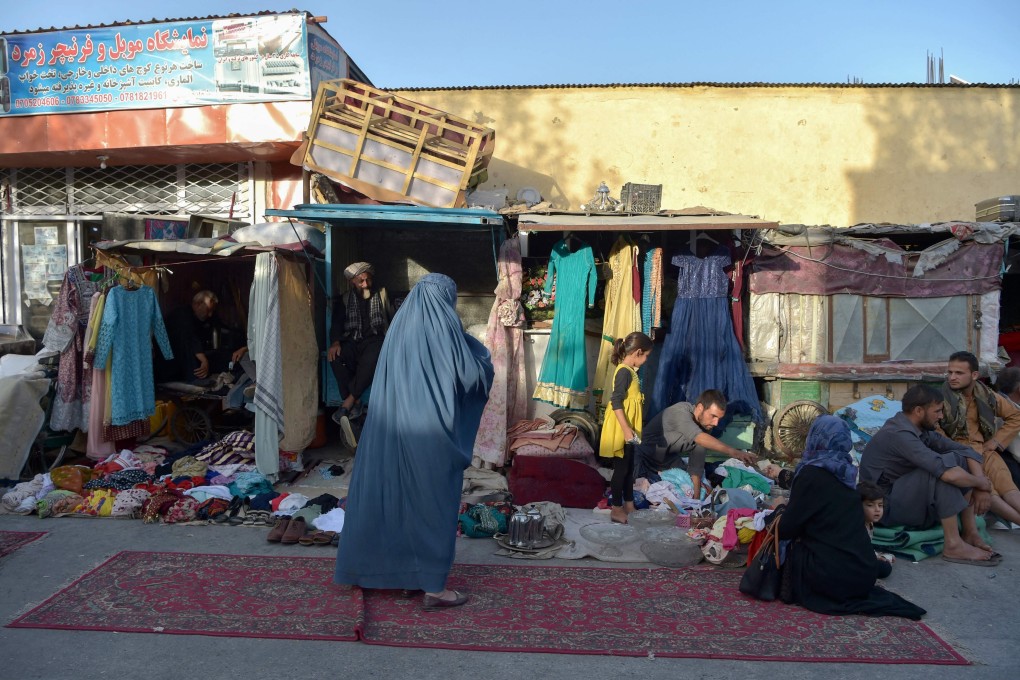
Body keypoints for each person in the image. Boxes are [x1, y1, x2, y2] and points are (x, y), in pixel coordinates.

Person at [334, 273, 493, 611]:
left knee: (397, 503)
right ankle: (434, 587)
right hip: (429, 436)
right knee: (431, 505)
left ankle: (407, 575)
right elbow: (470, 376)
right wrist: (479, 352)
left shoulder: (398, 330)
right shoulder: (444, 331)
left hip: (389, 432)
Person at [776, 416, 924, 619]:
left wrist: (779, 511)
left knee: (793, 546)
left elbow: (786, 528)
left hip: (832, 580)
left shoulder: (811, 472)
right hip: (862, 577)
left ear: (814, 437)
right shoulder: (847, 471)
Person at [859, 384, 1000, 566]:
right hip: (884, 508)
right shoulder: (900, 434)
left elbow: (966, 451)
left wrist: (981, 486)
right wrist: (982, 483)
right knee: (941, 473)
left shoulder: (921, 430)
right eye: (937, 411)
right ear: (919, 411)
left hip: (906, 497)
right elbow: (947, 475)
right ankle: (953, 545)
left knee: (956, 459)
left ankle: (970, 532)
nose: (941, 417)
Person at [939, 351, 1020, 526]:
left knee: (1009, 489)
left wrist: (996, 441)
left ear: (974, 375)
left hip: (985, 450)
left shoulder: (987, 396)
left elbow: (1016, 416)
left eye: (959, 373)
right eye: (950, 372)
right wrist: (957, 451)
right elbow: (936, 433)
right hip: (959, 454)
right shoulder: (939, 399)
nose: (952, 377)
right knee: (990, 493)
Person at [635, 389, 758, 500]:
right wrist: (734, 452)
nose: (716, 423)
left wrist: (696, 499)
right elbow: (699, 438)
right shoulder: (680, 412)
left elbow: (696, 466)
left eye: (719, 419)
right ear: (700, 408)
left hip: (667, 463)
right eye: (713, 416)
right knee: (642, 494)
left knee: (699, 488)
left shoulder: (706, 426)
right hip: (642, 459)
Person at [327, 261, 393, 448]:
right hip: (352, 340)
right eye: (360, 281)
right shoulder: (346, 299)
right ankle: (352, 403)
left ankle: (346, 403)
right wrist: (335, 342)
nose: (365, 284)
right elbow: (337, 323)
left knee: (373, 359)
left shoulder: (381, 295)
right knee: (335, 357)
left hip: (375, 340)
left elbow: (393, 318)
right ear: (352, 282)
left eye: (368, 280)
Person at [598, 331, 653, 524]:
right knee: (621, 469)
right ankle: (616, 508)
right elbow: (616, 401)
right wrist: (626, 429)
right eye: (646, 355)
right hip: (622, 429)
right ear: (638, 352)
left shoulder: (631, 373)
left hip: (628, 430)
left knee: (630, 468)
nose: (646, 360)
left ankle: (629, 504)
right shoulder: (623, 371)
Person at [162, 290, 247, 383]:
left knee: (223, 356)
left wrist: (243, 346)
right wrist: (204, 360)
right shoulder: (182, 314)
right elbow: (190, 337)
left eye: (212, 311)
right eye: (208, 310)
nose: (210, 314)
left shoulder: (206, 317)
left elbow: (221, 326)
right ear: (197, 304)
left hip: (197, 354)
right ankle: (194, 380)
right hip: (172, 361)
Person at [858, 480, 894, 565]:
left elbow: (867, 547)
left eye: (880, 505)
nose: (877, 509)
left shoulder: (869, 523)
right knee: (884, 568)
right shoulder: (858, 526)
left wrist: (879, 555)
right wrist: (876, 557)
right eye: (870, 505)